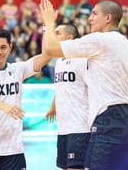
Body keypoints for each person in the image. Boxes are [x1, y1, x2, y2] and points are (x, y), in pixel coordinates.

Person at [40, 0, 128, 170]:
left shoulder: (101, 40)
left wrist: (49, 22)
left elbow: (51, 48)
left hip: (108, 119)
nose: (90, 18)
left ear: (108, 18)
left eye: (94, 13)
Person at [0, 28, 51, 170]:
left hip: (12, 148)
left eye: (3, 47)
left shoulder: (18, 69)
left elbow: (46, 57)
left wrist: (46, 27)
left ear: (10, 47)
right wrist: (5, 106)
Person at [44, 24, 90, 170]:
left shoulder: (82, 59)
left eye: (58, 33)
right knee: (64, 167)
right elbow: (60, 87)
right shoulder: (59, 62)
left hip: (80, 126)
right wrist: (53, 107)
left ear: (69, 37)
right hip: (63, 127)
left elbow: (93, 87)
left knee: (75, 167)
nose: (54, 36)